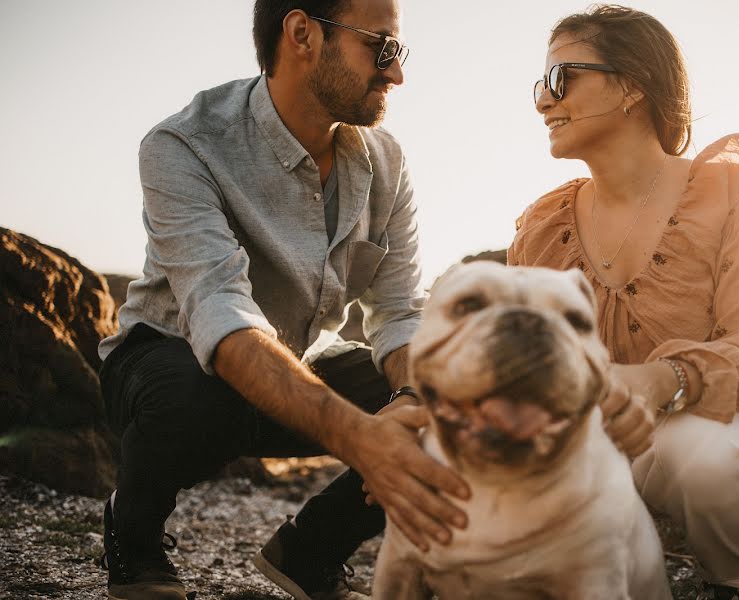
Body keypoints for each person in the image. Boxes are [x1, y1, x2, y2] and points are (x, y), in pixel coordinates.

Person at [96, 1, 471, 598]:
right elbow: (223, 317)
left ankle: (310, 549)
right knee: (187, 393)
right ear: (302, 34)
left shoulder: (387, 160)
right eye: (384, 47)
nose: (396, 74)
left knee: (462, 395)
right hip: (173, 359)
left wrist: (411, 399)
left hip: (299, 360)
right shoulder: (183, 145)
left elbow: (400, 311)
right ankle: (133, 533)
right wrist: (361, 437)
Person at [510, 6, 739, 600]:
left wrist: (662, 379)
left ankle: (728, 584)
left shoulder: (736, 197)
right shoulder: (541, 228)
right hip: (607, 436)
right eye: (539, 87)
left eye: (560, 79)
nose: (543, 102)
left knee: (711, 456)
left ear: (632, 85)